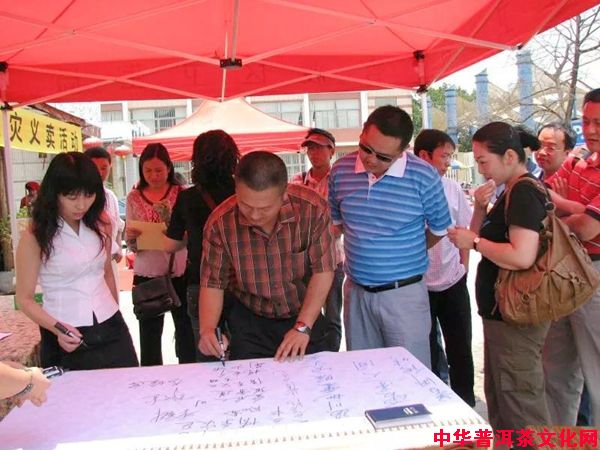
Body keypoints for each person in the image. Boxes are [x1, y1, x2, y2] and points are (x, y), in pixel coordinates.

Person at [328, 105, 451, 368]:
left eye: (383, 157)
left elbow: (439, 229)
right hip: (357, 293)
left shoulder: (424, 175)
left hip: (404, 295)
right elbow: (336, 225)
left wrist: (407, 252)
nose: (371, 160)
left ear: (403, 151)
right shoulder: (340, 170)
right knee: (363, 373)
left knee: (410, 374)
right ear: (362, 134)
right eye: (366, 148)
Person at [448, 122, 551, 432]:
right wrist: (480, 208)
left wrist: (476, 243)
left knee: (521, 405)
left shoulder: (523, 192)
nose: (481, 169)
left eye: (483, 161)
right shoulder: (510, 191)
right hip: (501, 313)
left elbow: (522, 256)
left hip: (515, 316)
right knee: (503, 399)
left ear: (509, 156)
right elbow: (478, 234)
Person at [198, 151, 336, 361]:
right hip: (250, 320)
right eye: (245, 205)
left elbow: (323, 271)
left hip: (304, 312)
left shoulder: (312, 209)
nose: (254, 215)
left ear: (284, 194)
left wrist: (302, 327)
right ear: (236, 190)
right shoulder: (220, 224)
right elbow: (212, 282)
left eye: (264, 208)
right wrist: (207, 330)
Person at [15, 152, 138, 370]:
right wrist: (58, 329)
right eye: (72, 197)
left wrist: (114, 309)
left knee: (128, 385)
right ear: (54, 194)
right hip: (65, 331)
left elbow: (107, 273)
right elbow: (24, 299)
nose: (81, 205)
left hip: (110, 324)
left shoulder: (101, 224)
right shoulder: (35, 236)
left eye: (88, 195)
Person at [542, 88, 600, 426]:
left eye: (598, 123)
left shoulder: (576, 164)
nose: (590, 130)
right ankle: (558, 443)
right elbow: (541, 195)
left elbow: (588, 228)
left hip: (594, 273)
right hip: (564, 272)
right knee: (556, 371)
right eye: (586, 121)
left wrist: (558, 214)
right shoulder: (579, 162)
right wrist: (573, 207)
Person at [165, 130, 239, 361]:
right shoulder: (243, 192)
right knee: (244, 348)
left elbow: (172, 244)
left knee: (208, 350)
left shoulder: (187, 198)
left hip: (200, 280)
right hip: (241, 281)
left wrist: (195, 238)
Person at [415, 129, 475, 406]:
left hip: (453, 281)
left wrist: (464, 267)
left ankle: (466, 403)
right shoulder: (409, 189)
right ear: (424, 156)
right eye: (444, 156)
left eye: (450, 156)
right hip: (419, 284)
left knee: (460, 346)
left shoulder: (452, 188)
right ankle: (436, 403)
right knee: (426, 348)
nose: (448, 162)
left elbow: (465, 229)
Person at [126, 143, 196, 366]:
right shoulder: (134, 197)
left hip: (179, 269)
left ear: (169, 168)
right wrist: (133, 238)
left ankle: (188, 372)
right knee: (149, 332)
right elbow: (130, 240)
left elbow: (191, 232)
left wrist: (177, 234)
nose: (153, 175)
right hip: (148, 271)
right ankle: (151, 376)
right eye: (148, 170)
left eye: (158, 170)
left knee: (185, 329)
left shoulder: (182, 194)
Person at [291, 128, 344, 351]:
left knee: (332, 317)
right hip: (303, 263)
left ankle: (331, 357)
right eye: (310, 148)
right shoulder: (298, 181)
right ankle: (311, 355)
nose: (314, 153)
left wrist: (314, 234)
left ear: (331, 151)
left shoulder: (339, 182)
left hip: (332, 260)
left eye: (319, 148)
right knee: (304, 316)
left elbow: (342, 222)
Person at [84, 146, 125, 292]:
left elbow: (118, 226)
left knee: (112, 299)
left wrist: (118, 246)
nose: (100, 173)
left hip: (110, 260)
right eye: (95, 168)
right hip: (88, 264)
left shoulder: (110, 196)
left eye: (104, 168)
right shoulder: (79, 197)